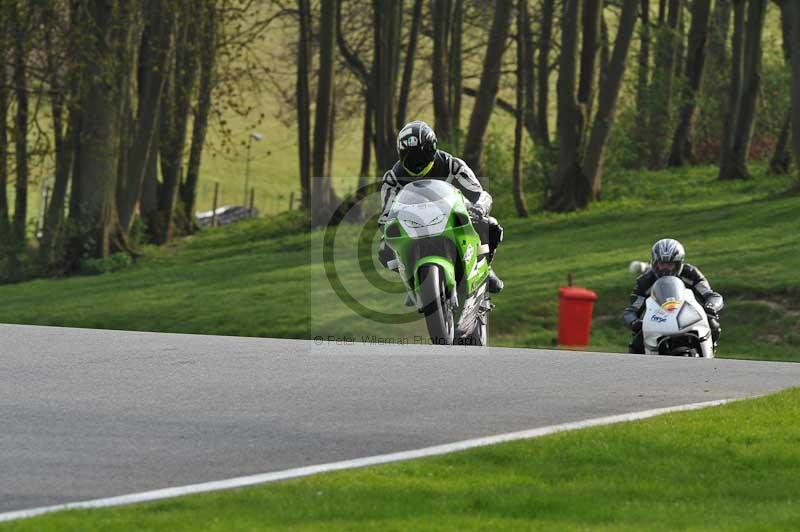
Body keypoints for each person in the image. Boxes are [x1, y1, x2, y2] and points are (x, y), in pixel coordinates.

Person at [377, 120, 504, 294]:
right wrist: (388, 226)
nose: (416, 162)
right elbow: (385, 214)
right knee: (384, 249)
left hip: (450, 217)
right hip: (413, 225)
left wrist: (479, 208)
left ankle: (485, 268)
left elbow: (480, 194)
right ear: (400, 154)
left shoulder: (452, 165)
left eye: (421, 155)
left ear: (432, 149)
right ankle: (412, 279)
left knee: (490, 226)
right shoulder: (393, 177)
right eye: (409, 156)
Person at [622, 238, 723, 354]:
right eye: (661, 264)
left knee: (713, 323)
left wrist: (711, 307)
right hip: (657, 320)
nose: (665, 268)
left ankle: (710, 353)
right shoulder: (644, 281)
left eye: (669, 264)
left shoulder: (691, 273)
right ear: (654, 263)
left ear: (678, 264)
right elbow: (631, 311)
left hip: (689, 317)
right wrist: (635, 322)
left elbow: (712, 296)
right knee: (636, 344)